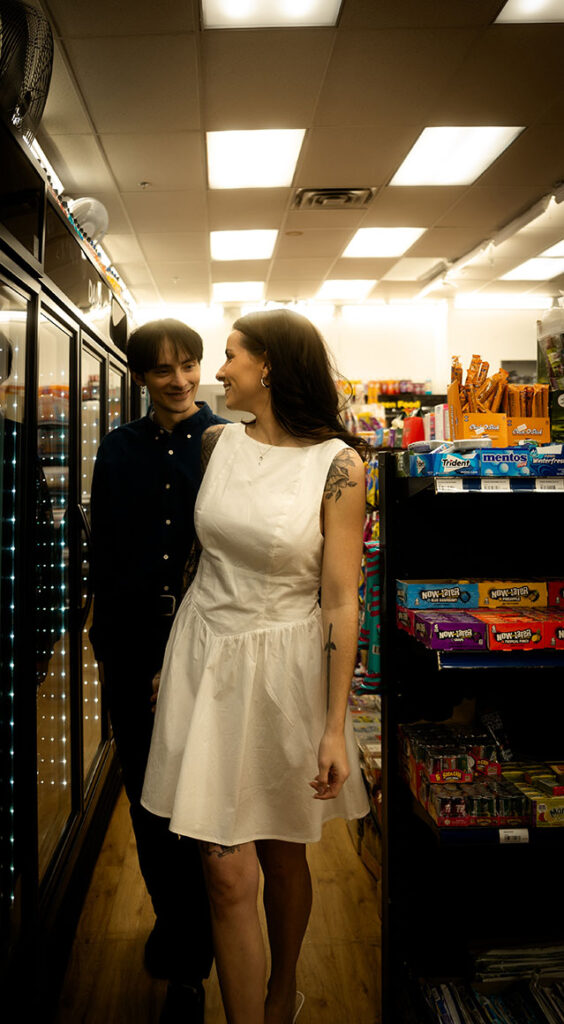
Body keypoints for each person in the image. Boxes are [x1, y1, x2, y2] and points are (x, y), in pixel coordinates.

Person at [141, 308, 370, 1024]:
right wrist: (167, 660)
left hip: (284, 669)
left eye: (232, 354)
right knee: (225, 871)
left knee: (283, 849)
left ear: (267, 365)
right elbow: (202, 553)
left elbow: (339, 602)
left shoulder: (338, 466)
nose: (218, 369)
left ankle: (281, 990)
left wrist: (335, 728)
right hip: (205, 657)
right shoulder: (215, 444)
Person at [90, 318, 228, 1022]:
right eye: (163, 369)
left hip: (206, 652)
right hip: (132, 647)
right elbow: (104, 553)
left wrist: (182, 659)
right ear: (141, 375)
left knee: (202, 807)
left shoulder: (229, 445)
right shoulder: (116, 450)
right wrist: (116, 650)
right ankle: (182, 948)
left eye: (191, 364)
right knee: (150, 805)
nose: (179, 380)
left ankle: (202, 946)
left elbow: (229, 563)